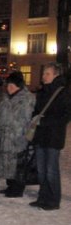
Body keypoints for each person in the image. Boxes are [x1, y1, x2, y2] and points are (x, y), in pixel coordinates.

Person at [29, 63, 71, 210]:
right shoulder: (42, 91)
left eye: (47, 73)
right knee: (41, 170)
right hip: (40, 136)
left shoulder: (63, 92)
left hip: (53, 137)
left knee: (51, 170)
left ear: (56, 75)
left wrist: (44, 121)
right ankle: (43, 197)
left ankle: (53, 200)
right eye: (44, 73)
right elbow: (36, 111)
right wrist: (34, 119)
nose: (43, 76)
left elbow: (65, 116)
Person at [0, 72, 35, 197]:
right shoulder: (5, 98)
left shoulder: (27, 98)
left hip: (18, 137)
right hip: (6, 135)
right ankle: (10, 185)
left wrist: (20, 135)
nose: (10, 87)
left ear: (19, 85)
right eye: (8, 85)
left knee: (18, 165)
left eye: (13, 85)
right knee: (7, 162)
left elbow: (27, 119)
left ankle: (17, 189)